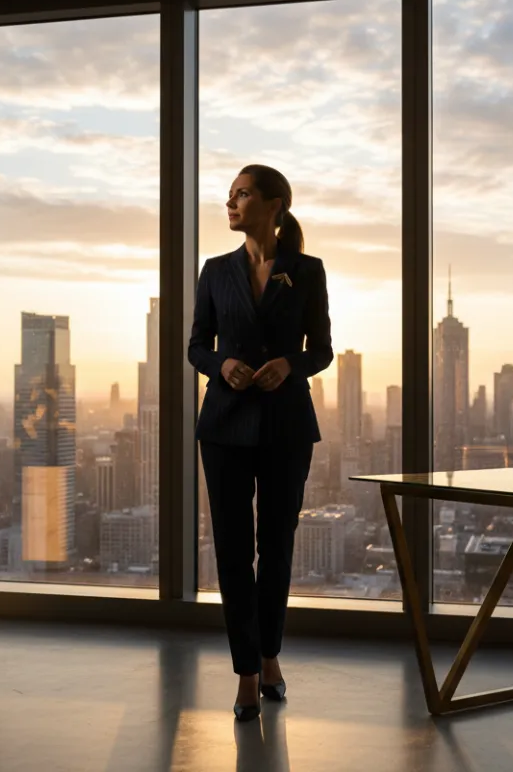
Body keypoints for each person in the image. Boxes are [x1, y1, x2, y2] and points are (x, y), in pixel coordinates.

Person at [188, 164, 333, 721]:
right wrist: (221, 364)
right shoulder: (215, 270)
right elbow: (197, 345)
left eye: (242, 194)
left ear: (274, 205)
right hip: (224, 426)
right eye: (230, 195)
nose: (231, 203)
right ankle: (246, 672)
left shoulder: (307, 270)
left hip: (285, 425)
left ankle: (270, 655)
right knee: (231, 549)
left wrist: (289, 365)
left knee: (276, 548)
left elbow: (321, 349)